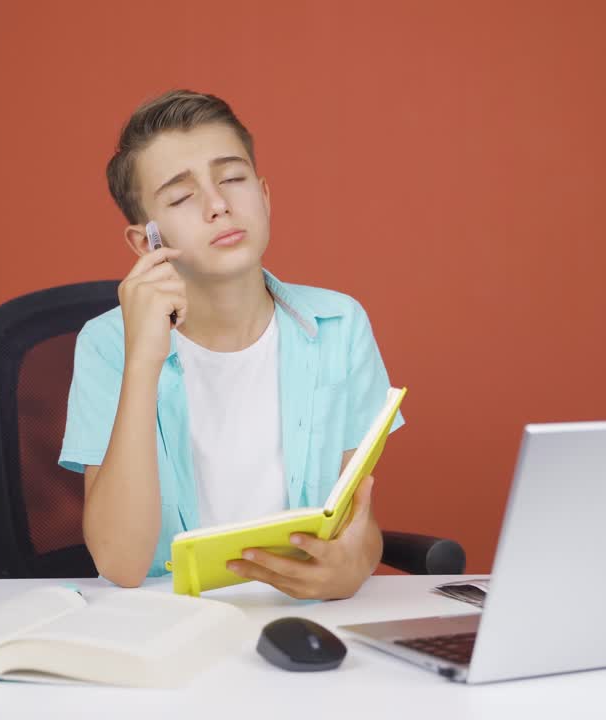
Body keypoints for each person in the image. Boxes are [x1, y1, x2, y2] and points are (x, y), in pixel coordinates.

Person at [59, 90, 404, 600]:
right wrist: (143, 360)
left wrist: (352, 566)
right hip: (163, 622)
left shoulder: (338, 325)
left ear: (264, 196)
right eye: (181, 197)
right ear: (144, 243)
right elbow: (122, 564)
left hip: (296, 614)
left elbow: (358, 525)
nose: (218, 205)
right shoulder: (106, 345)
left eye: (233, 179)